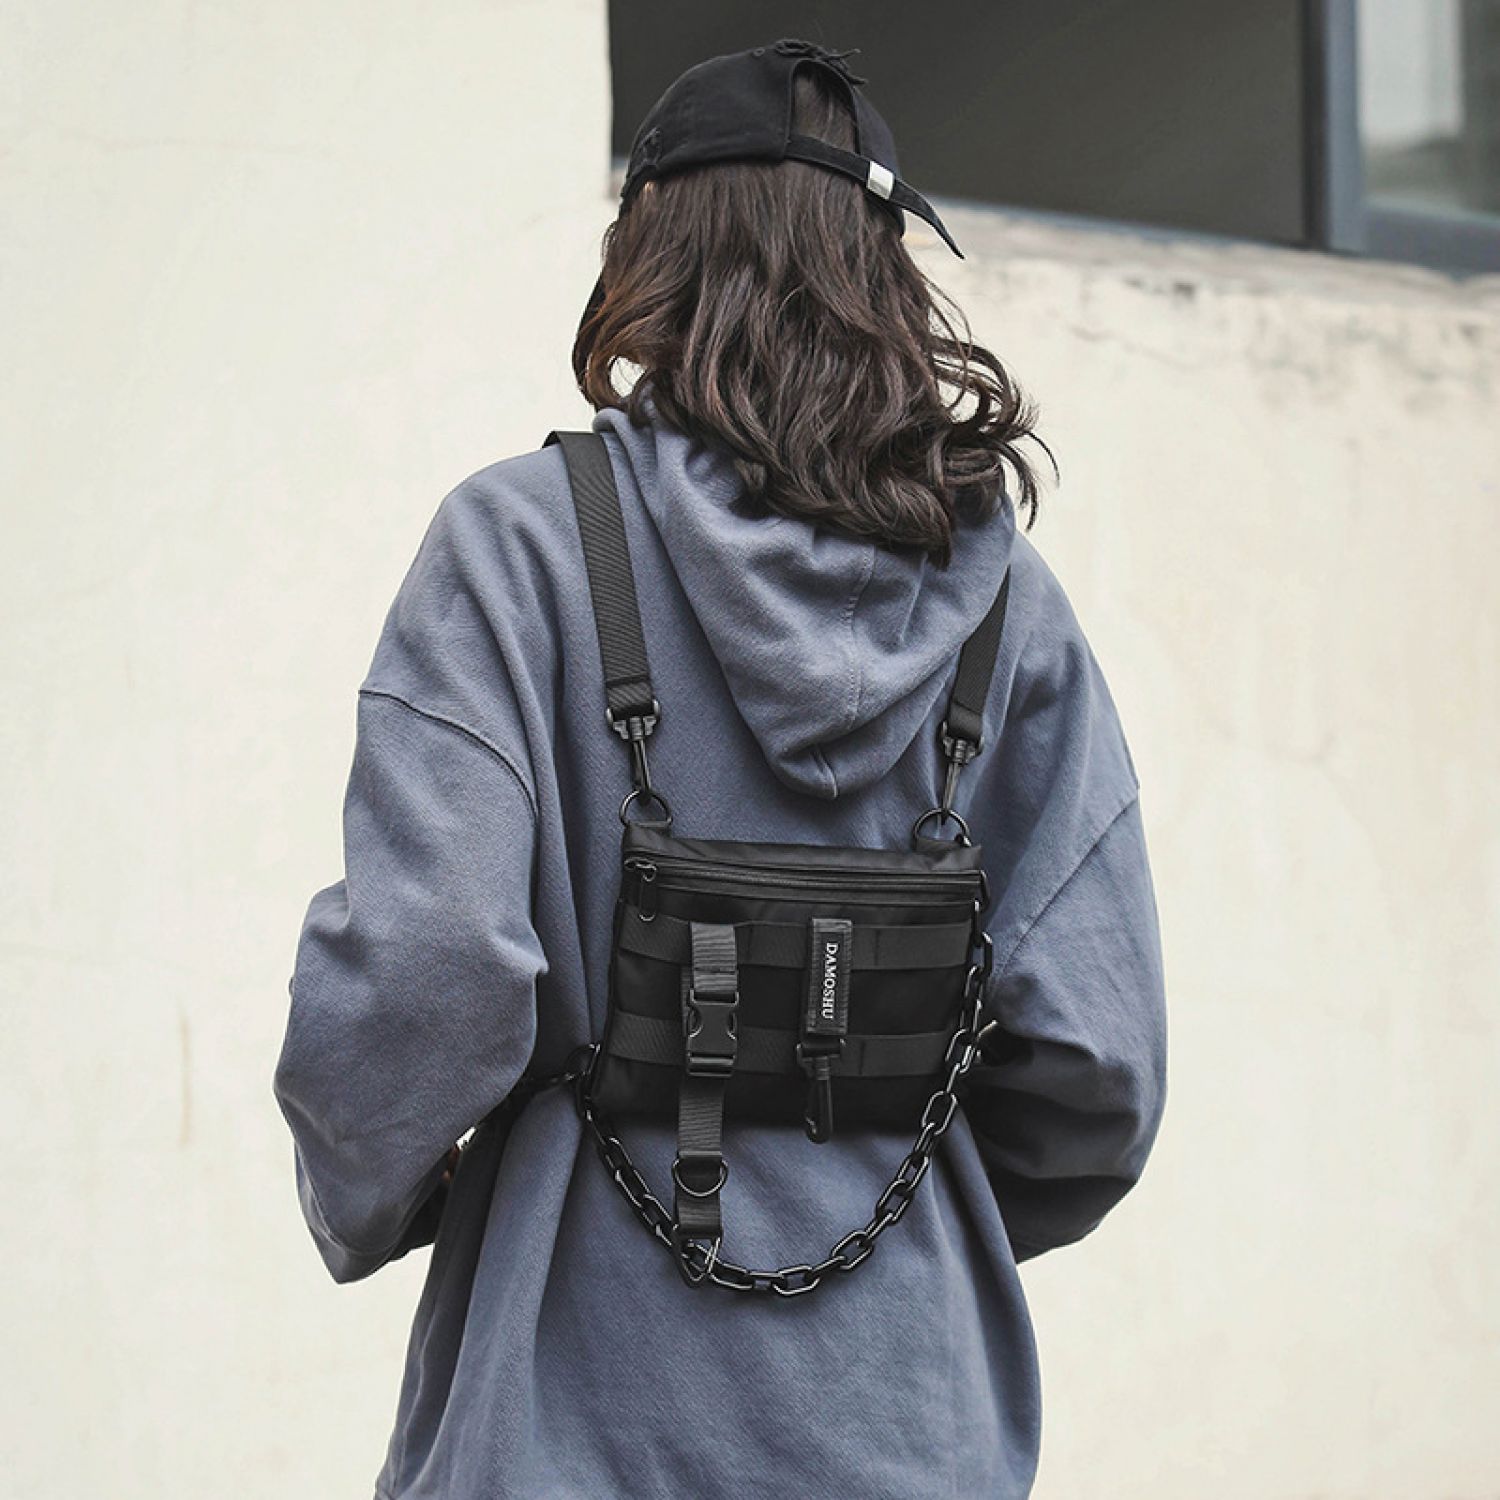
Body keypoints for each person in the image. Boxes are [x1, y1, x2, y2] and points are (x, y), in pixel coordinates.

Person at [273, 38, 1166, 1500]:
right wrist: (881, 1184)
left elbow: (430, 968)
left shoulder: (519, 550)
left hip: (564, 1418)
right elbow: (1099, 1070)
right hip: (907, 1421)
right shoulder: (1013, 614)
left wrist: (367, 1188)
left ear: (649, 258)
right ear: (888, 277)